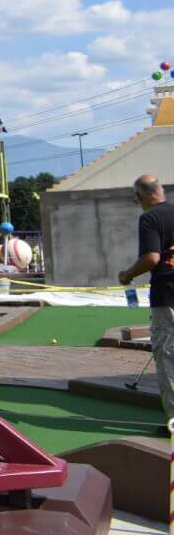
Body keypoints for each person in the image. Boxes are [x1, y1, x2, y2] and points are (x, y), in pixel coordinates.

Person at [118, 175, 174, 423]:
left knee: (169, 357)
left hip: (168, 294)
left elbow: (151, 258)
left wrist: (126, 275)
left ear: (140, 197)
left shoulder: (150, 217)